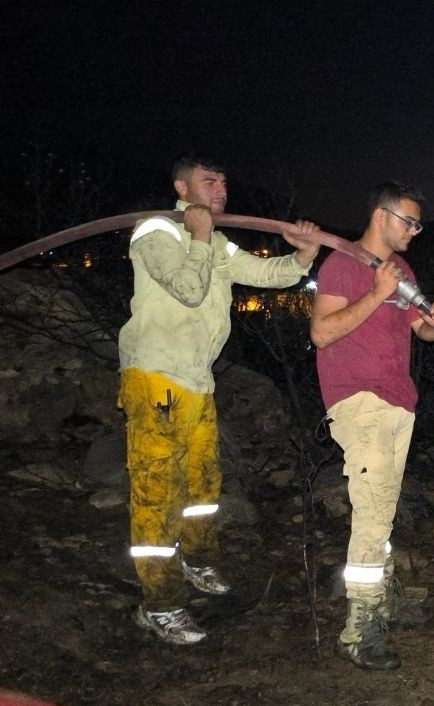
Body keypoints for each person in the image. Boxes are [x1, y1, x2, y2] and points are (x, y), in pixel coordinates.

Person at [119, 155, 319, 645]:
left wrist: (303, 257)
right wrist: (201, 236)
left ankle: (197, 562)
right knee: (157, 496)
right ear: (181, 187)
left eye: (224, 182)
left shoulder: (217, 242)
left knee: (203, 486)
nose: (221, 189)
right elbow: (188, 289)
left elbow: (268, 275)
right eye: (209, 181)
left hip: (197, 383)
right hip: (155, 379)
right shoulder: (155, 232)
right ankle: (160, 604)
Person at [310, 181, 434, 671]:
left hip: (398, 402)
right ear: (380, 216)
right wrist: (375, 295)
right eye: (408, 221)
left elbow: (424, 333)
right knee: (371, 514)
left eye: (417, 224)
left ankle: (381, 603)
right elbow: (322, 332)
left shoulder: (402, 270)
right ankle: (359, 629)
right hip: (358, 401)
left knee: (383, 510)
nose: (415, 231)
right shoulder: (341, 264)